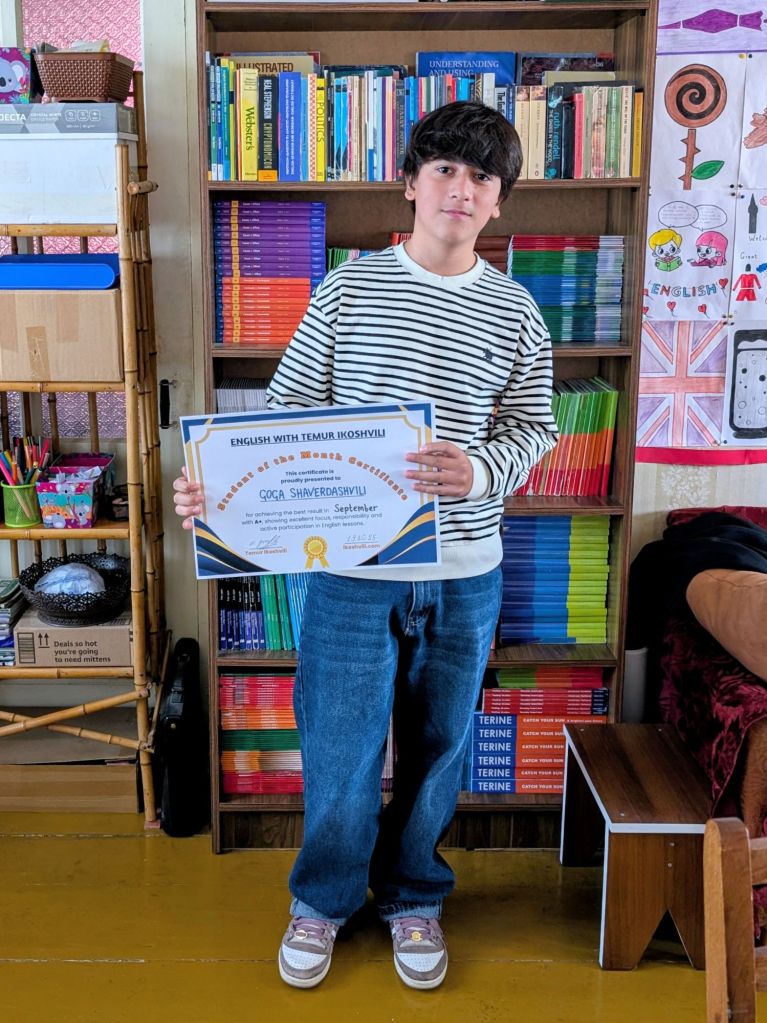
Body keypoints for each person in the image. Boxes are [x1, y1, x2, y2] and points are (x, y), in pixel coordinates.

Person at [173, 100, 558, 991]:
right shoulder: (348, 288)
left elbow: (532, 426)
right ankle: (323, 899)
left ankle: (413, 894)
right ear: (411, 183)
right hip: (350, 569)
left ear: (498, 201)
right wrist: (220, 497)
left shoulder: (515, 310)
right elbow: (284, 417)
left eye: (482, 177)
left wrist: (480, 469)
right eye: (445, 169)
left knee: (439, 743)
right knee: (340, 743)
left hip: (464, 570)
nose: (461, 188)